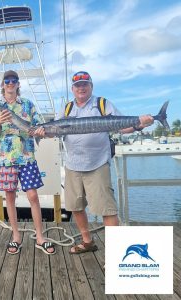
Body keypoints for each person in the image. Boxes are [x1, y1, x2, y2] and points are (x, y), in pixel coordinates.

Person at [50, 71, 154, 254]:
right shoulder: (66, 109)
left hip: (97, 164)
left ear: (91, 86)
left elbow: (122, 127)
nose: (81, 88)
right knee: (75, 206)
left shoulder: (102, 104)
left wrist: (139, 124)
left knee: (107, 209)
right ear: (72, 89)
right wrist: (44, 132)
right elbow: (55, 131)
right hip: (72, 165)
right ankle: (87, 242)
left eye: (85, 84)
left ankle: (116, 255)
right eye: (77, 85)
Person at [0, 70, 56, 255]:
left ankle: (40, 237)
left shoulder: (28, 104)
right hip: (6, 159)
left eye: (14, 81)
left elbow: (40, 127)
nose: (10, 83)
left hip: (27, 158)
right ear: (2, 85)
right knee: (9, 197)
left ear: (18, 84)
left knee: (33, 196)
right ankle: (16, 237)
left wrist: (41, 132)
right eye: (7, 81)